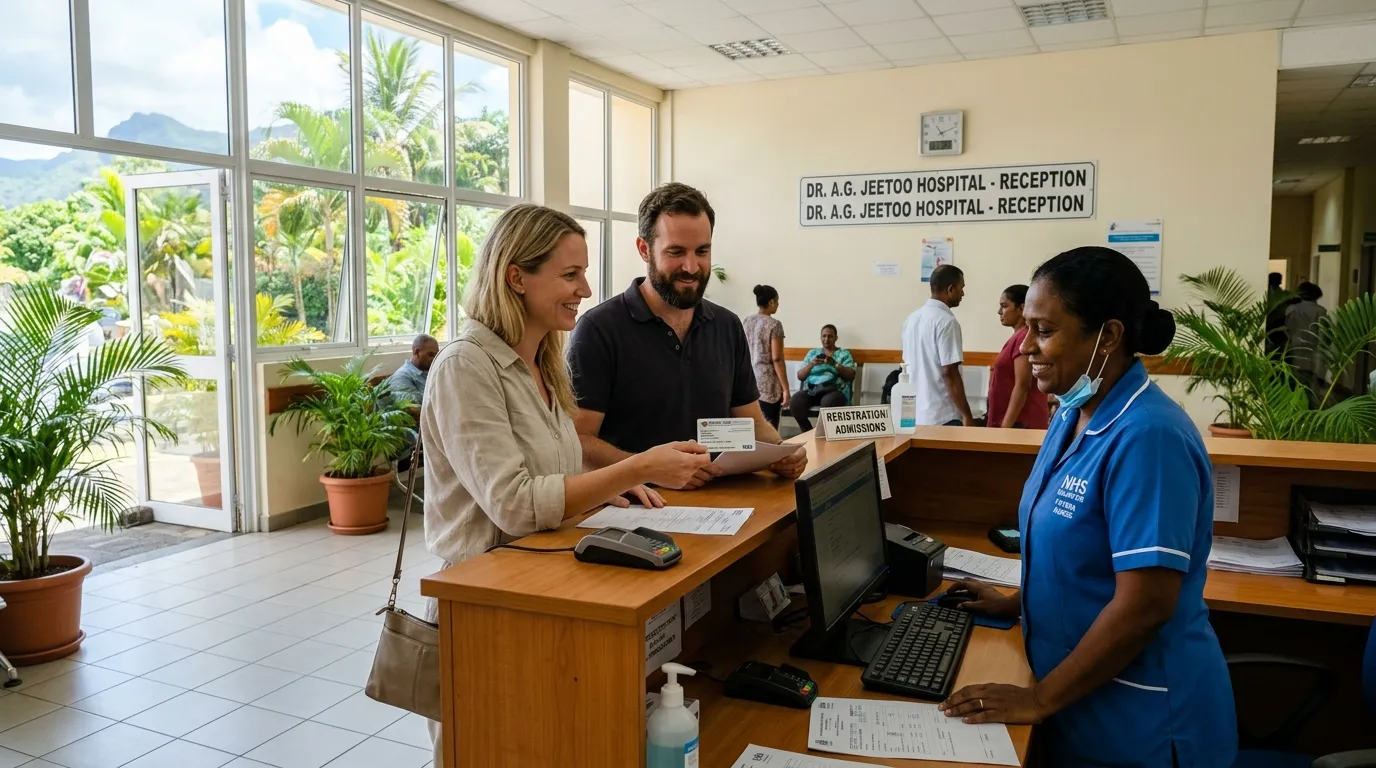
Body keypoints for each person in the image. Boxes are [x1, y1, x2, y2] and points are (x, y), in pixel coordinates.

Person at [421, 204, 712, 763]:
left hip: (546, 589)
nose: (585, 287)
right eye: (570, 274)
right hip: (487, 606)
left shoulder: (541, 360)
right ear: (516, 277)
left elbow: (558, 465)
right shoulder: (466, 366)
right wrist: (636, 467)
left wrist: (606, 486)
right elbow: (515, 505)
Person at [939, 246, 1236, 768]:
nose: (1025, 347)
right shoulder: (1073, 412)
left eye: (1045, 330)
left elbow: (1145, 605)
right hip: (1078, 700)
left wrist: (1039, 699)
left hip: (1142, 721)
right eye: (1026, 327)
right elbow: (1074, 544)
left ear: (1109, 336)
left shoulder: (1149, 436)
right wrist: (1020, 601)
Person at [568, 182, 807, 487]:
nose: (692, 267)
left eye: (702, 251)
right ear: (644, 249)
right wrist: (649, 469)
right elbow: (579, 441)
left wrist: (780, 452)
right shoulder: (598, 330)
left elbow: (751, 423)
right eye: (676, 252)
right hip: (634, 512)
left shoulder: (727, 326)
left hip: (725, 506)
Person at [900, 264, 974, 426]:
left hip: (914, 415)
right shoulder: (946, 322)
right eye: (961, 288)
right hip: (942, 416)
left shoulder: (911, 319)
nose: (963, 293)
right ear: (950, 289)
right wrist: (966, 414)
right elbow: (949, 372)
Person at [986, 285, 1048, 429]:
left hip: (1020, 422)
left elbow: (1023, 385)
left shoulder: (1024, 338)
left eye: (1004, 306)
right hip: (1011, 421)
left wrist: (1006, 427)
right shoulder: (1017, 337)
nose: (999, 312)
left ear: (1021, 308)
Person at [790, 324, 855, 432]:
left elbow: (851, 375)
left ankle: (823, 434)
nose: (826, 339)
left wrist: (835, 364)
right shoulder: (813, 353)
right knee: (795, 402)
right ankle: (807, 432)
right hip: (813, 390)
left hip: (834, 391)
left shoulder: (844, 354)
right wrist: (811, 364)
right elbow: (800, 376)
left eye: (830, 336)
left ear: (836, 338)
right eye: (824, 336)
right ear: (820, 337)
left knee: (829, 402)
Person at [743, 284, 787, 428]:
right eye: (777, 301)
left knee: (752, 429)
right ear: (771, 302)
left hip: (748, 380)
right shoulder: (775, 325)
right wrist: (786, 388)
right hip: (768, 383)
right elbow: (777, 358)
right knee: (769, 428)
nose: (778, 305)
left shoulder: (747, 321)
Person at [1285, 281, 1328, 396]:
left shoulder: (1291, 308)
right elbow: (1324, 333)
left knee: (1294, 379)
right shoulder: (1321, 311)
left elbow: (1286, 327)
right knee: (1309, 382)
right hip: (1312, 349)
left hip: (1292, 347)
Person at [386, 334, 439, 419]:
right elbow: (411, 410)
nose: (434, 359)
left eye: (436, 355)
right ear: (417, 352)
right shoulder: (401, 376)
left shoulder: (432, 372)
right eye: (430, 355)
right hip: (419, 428)